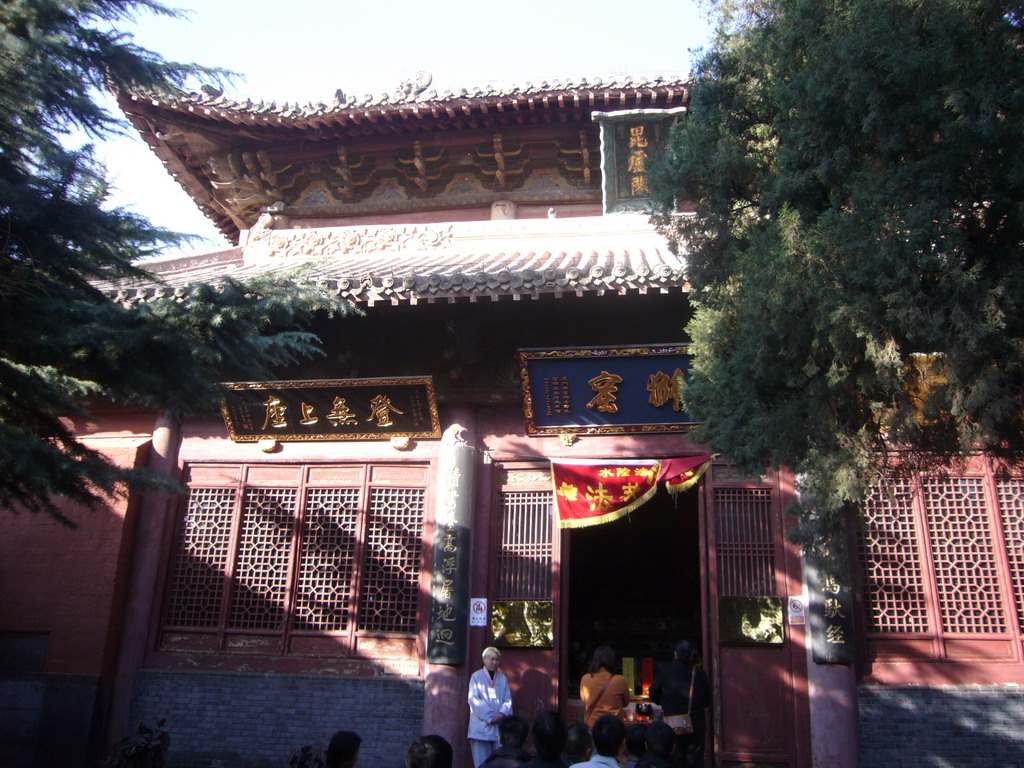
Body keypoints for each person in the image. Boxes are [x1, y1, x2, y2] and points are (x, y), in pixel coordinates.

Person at [649, 641, 711, 768]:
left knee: (672, 759)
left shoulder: (665, 672)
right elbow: (707, 700)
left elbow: (654, 694)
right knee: (694, 760)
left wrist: (667, 702)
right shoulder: (699, 674)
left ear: (675, 654)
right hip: (694, 724)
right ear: (690, 656)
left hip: (670, 725)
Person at [468, 646, 514, 767]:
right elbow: (473, 700)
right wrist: (490, 716)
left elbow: (507, 700)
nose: (494, 662)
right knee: (481, 763)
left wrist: (502, 714)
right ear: (484, 660)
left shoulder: (503, 678)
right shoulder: (476, 677)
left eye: (497, 660)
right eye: (492, 659)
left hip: (498, 726)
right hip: (481, 727)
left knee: (498, 763)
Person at [579, 645, 630, 727]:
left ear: (595, 660)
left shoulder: (585, 679)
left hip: (593, 726)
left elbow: (585, 701)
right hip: (615, 727)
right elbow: (625, 702)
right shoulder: (619, 680)